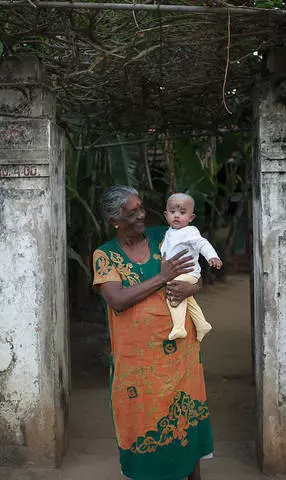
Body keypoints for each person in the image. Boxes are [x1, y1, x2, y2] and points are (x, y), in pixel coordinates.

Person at [93, 185, 214, 480]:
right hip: (137, 364)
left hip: (181, 354)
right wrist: (162, 278)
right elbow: (118, 300)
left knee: (187, 417)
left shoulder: (166, 235)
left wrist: (192, 287)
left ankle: (193, 475)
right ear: (115, 220)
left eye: (142, 208)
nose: (141, 216)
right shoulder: (105, 255)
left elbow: (192, 274)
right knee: (142, 423)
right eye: (132, 212)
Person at [161, 193, 223, 342]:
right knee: (188, 299)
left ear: (191, 217)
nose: (176, 216)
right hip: (176, 272)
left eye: (182, 213)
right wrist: (163, 259)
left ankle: (179, 327)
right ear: (166, 214)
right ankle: (202, 324)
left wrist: (212, 257)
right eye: (172, 212)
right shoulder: (170, 232)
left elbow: (202, 244)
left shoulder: (190, 231)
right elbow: (165, 248)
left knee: (174, 290)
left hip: (189, 273)